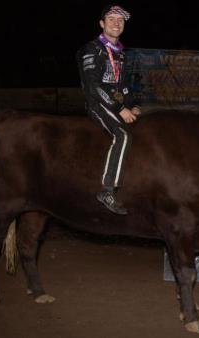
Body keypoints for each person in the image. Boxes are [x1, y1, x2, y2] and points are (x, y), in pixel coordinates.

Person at [76, 4, 141, 215]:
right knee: (122, 135)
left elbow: (121, 86)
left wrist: (133, 105)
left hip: (114, 104)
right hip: (97, 104)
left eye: (120, 20)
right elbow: (93, 86)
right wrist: (120, 108)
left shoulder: (120, 53)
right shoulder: (91, 49)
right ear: (102, 24)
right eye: (111, 19)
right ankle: (107, 190)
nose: (116, 23)